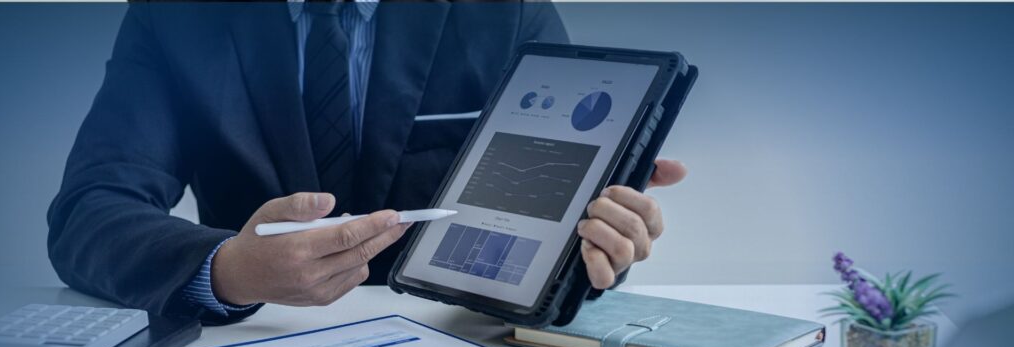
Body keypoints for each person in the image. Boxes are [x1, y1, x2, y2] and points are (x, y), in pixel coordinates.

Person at [47, 1, 686, 324]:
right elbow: (89, 211)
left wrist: (594, 245)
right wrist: (228, 270)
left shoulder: (504, 9)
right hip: (250, 341)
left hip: (462, 343)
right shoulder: (177, 15)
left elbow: (561, 213)